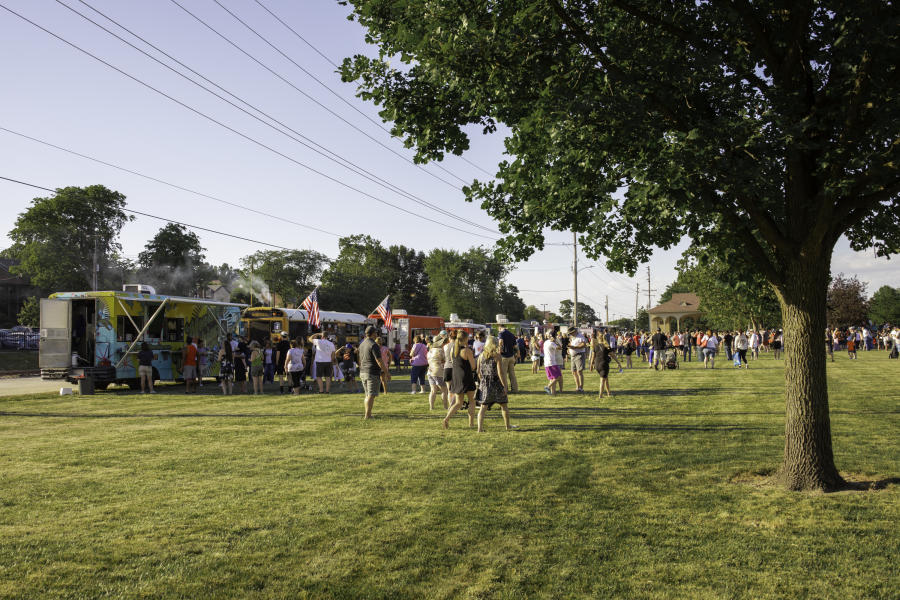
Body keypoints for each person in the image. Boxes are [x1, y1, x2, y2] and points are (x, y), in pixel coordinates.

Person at [475, 336, 513, 432]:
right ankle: (507, 426)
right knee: (503, 405)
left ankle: (480, 428)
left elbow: (478, 371)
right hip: (496, 383)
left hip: (485, 384)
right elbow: (501, 373)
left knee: (483, 407)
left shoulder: (480, 356)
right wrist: (505, 385)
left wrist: (482, 381)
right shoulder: (497, 356)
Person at [443, 330, 476, 428]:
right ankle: (471, 423)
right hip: (466, 377)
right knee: (472, 401)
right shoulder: (467, 350)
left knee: (458, 403)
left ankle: (446, 419)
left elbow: (453, 362)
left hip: (456, 377)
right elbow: (473, 366)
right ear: (466, 339)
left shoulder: (453, 349)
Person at [359, 325, 389, 419]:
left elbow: (359, 358)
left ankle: (368, 414)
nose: (377, 334)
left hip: (363, 371)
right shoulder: (373, 345)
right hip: (371, 372)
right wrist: (386, 372)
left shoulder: (362, 344)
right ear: (373, 334)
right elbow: (379, 360)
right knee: (371, 395)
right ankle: (367, 415)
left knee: (367, 394)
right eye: (376, 332)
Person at [589, 330, 622, 398]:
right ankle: (600, 395)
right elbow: (613, 355)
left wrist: (591, 365)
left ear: (598, 338)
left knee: (605, 378)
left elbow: (593, 356)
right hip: (604, 364)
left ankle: (608, 393)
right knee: (602, 380)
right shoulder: (607, 346)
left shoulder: (596, 346)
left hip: (597, 364)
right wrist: (618, 363)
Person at [426, 333, 449, 410]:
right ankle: (446, 407)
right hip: (439, 372)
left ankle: (431, 407)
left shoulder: (430, 350)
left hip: (430, 371)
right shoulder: (440, 350)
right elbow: (445, 360)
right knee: (444, 390)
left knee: (433, 391)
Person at [497, 324, 519, 394]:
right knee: (512, 374)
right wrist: (518, 353)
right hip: (511, 356)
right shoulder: (512, 334)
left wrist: (499, 349)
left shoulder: (501, 333)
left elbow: (500, 341)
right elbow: (515, 346)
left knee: (503, 374)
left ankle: (505, 389)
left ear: (500, 328)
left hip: (504, 357)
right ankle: (515, 389)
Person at [567, 329, 588, 393]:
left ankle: (581, 388)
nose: (570, 334)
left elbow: (583, 345)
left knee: (579, 371)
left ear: (574, 331)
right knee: (573, 372)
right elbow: (570, 344)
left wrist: (575, 347)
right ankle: (577, 387)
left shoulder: (580, 336)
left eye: (571, 333)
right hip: (573, 356)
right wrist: (568, 349)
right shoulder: (572, 337)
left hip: (579, 355)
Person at [542, 330, 562, 395]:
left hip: (546, 362)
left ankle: (553, 393)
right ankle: (548, 386)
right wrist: (555, 342)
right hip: (552, 362)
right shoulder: (552, 343)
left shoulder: (545, 342)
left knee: (552, 378)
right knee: (558, 376)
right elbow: (560, 348)